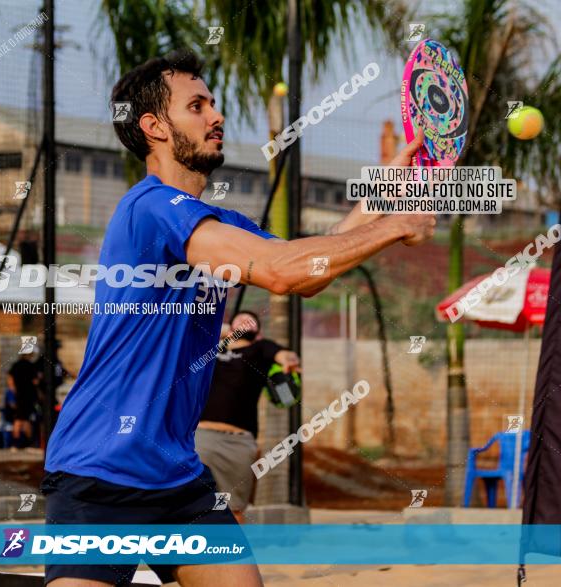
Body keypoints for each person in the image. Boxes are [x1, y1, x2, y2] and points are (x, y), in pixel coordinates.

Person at [40, 50, 433, 587]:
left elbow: (310, 270)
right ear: (154, 127)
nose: (216, 115)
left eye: (213, 103)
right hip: (100, 469)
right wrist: (391, 229)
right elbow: (280, 272)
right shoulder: (150, 207)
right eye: (197, 105)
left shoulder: (220, 221)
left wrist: (389, 189)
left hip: (178, 478)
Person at [196, 310, 300, 525]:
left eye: (252, 321)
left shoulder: (260, 350)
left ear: (258, 333)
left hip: (238, 442)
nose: (246, 320)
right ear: (229, 325)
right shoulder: (209, 347)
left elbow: (283, 355)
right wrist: (224, 330)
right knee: (192, 504)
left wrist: (289, 361)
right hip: (200, 438)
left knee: (233, 509)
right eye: (241, 318)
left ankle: (230, 555)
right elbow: (191, 327)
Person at [7, 348, 39, 450]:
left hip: (18, 395)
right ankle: (27, 443)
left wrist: (13, 390)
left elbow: (10, 379)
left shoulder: (16, 365)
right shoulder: (31, 366)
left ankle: (17, 444)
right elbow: (35, 382)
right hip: (28, 396)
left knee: (20, 419)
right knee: (24, 420)